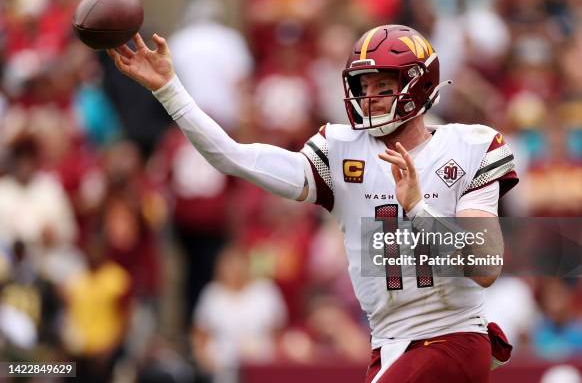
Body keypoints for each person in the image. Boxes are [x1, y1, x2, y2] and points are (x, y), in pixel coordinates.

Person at [107, 24, 518, 383]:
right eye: (363, 86)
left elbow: (485, 268)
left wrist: (417, 209)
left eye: (383, 86)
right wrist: (169, 89)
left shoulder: (468, 148)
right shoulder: (341, 151)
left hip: (452, 336)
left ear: (418, 84)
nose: (369, 97)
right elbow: (233, 157)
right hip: (389, 343)